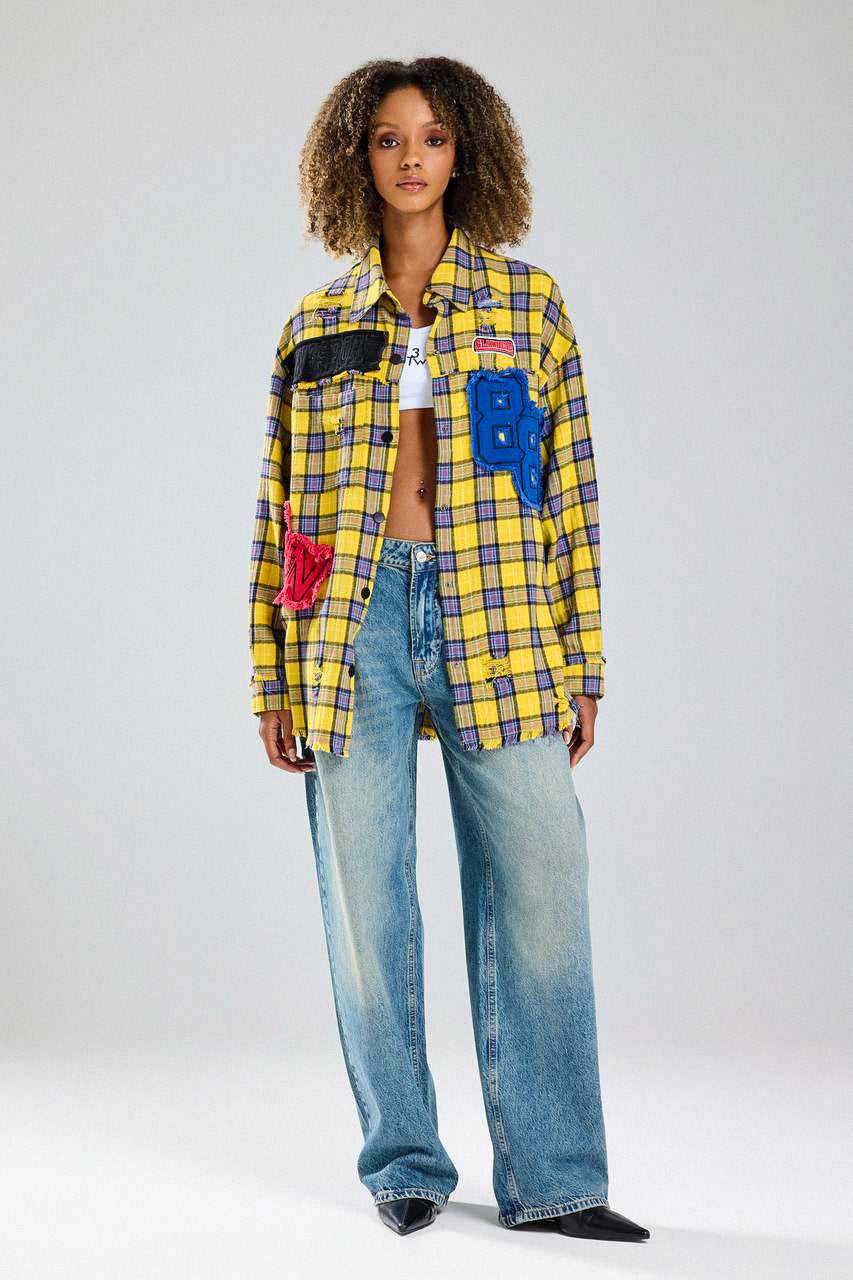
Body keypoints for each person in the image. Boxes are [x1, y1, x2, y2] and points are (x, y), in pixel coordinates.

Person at [248, 56, 649, 1243]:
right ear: (355, 159)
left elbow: (569, 493)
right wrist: (272, 672)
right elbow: (282, 511)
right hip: (350, 625)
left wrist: (584, 659)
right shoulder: (317, 323)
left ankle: (558, 1176)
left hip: (501, 615)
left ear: (465, 151)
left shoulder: (529, 305)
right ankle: (404, 1163)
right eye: (387, 138)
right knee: (365, 903)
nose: (410, 157)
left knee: (541, 886)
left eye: (430, 136)